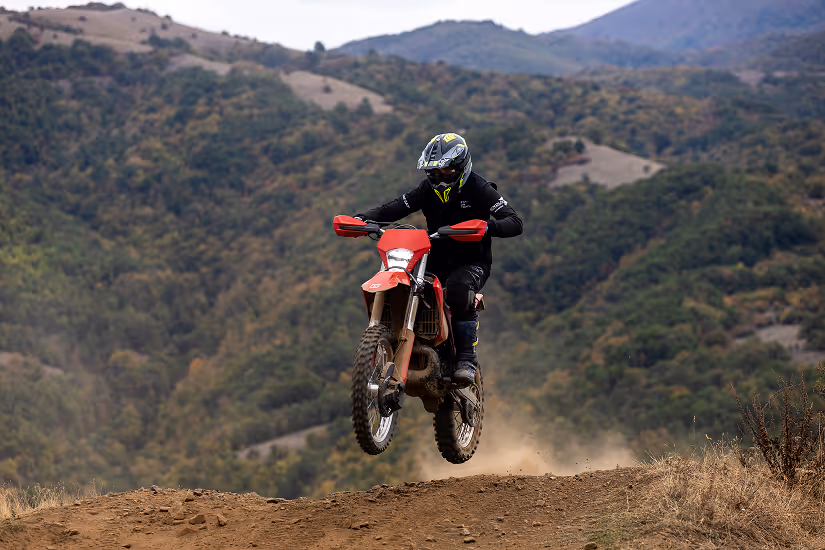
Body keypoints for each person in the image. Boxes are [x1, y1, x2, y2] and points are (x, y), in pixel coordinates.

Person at [355, 133, 523, 386]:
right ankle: (402, 338)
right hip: (433, 259)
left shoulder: (478, 188)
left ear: (462, 167)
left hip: (472, 262)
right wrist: (361, 219)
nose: (439, 177)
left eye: (446, 171)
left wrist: (486, 227)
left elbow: (514, 222)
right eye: (433, 173)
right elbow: (395, 207)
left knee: (457, 289)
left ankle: (466, 359)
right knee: (404, 280)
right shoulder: (425, 190)